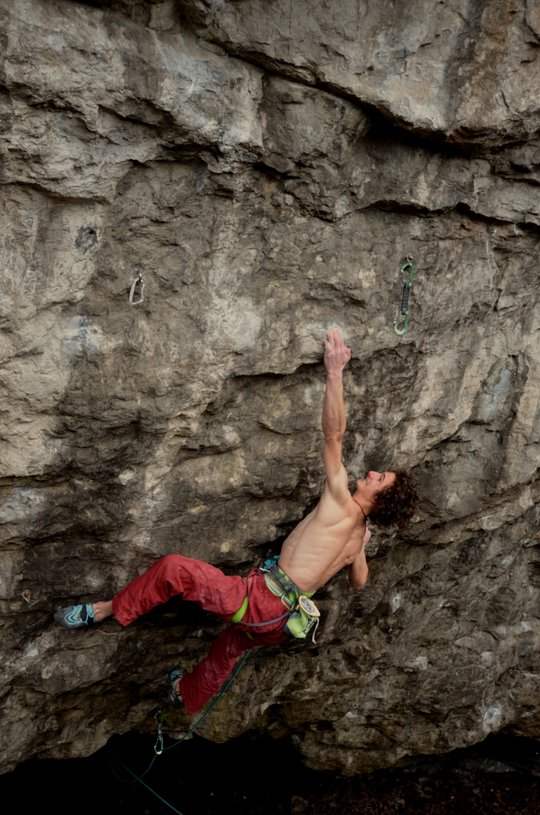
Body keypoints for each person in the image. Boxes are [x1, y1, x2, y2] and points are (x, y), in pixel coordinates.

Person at [54, 328, 419, 717]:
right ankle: (185, 695)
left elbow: (334, 435)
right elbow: (360, 582)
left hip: (260, 602)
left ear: (378, 498)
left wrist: (334, 373)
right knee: (230, 647)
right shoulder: (359, 536)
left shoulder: (341, 502)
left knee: (175, 569)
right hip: (281, 623)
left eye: (380, 480)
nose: (374, 472)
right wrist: (359, 550)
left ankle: (106, 610)